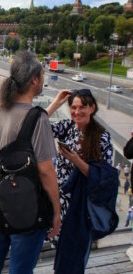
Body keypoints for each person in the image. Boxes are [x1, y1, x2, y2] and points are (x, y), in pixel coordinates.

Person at [0, 51, 61, 274]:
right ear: (34, 79)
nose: (44, 79)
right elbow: (46, 170)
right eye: (43, 74)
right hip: (28, 211)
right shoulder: (38, 118)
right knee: (21, 269)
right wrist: (56, 210)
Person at [46, 88, 115, 273]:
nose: (77, 112)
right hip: (59, 205)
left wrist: (76, 160)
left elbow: (104, 179)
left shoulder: (102, 137)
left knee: (74, 259)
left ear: (92, 108)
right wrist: (56, 103)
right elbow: (37, 126)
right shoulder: (67, 126)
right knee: (61, 256)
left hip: (80, 208)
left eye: (82, 107)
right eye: (73, 107)